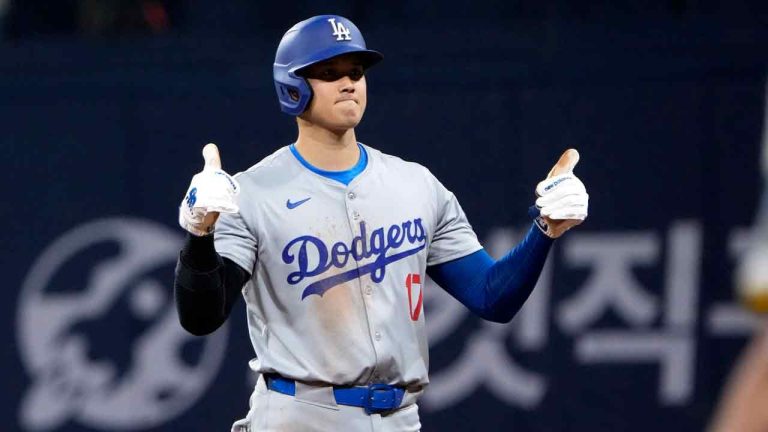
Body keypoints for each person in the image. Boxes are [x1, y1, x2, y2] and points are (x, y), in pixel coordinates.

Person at [174, 15, 589, 432]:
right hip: (300, 415)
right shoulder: (253, 192)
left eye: (356, 71)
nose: (348, 83)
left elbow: (492, 297)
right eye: (328, 73)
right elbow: (201, 318)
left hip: (399, 418)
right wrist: (200, 236)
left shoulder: (416, 185)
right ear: (292, 87)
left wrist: (545, 231)